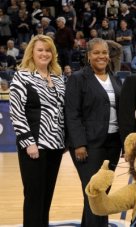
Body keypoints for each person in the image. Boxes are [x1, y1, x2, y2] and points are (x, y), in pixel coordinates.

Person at [65, 38, 122, 227]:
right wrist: (79, 144)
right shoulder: (78, 78)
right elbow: (72, 113)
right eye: (96, 52)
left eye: (104, 52)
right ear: (88, 56)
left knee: (101, 194)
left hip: (112, 143)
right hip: (89, 145)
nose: (101, 56)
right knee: (94, 193)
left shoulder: (113, 77)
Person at [9, 34, 65, 227]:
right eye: (40, 50)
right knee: (34, 194)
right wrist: (28, 142)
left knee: (47, 195)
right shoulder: (22, 76)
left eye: (48, 50)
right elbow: (16, 112)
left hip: (56, 145)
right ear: (31, 52)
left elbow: (61, 110)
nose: (44, 53)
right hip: (34, 145)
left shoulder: (58, 78)